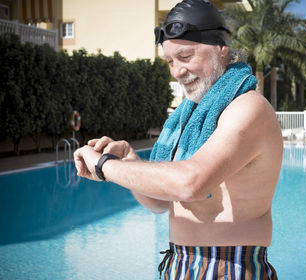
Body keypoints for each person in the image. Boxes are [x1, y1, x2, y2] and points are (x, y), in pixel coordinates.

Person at [73, 0, 283, 279]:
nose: (176, 71)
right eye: (170, 61)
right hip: (180, 264)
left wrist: (105, 166)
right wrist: (130, 160)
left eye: (185, 57)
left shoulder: (248, 108)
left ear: (221, 49)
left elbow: (191, 183)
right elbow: (160, 203)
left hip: (230, 267)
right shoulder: (189, 115)